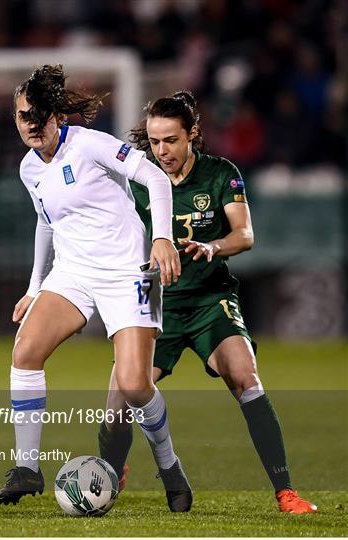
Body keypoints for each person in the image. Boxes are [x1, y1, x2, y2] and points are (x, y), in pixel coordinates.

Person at [98, 91, 318, 514]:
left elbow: (245, 235)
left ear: (192, 135)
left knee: (244, 375)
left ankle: (285, 492)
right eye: (155, 141)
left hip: (208, 299)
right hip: (153, 304)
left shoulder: (221, 174)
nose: (162, 151)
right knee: (118, 401)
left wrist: (213, 247)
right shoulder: (136, 180)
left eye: (171, 140)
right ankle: (108, 473)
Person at [0, 65, 192, 511]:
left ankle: (170, 467)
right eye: (24, 116)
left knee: (135, 385)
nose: (31, 125)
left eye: (40, 116)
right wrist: (34, 287)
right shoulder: (29, 168)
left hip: (128, 272)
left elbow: (156, 178)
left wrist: (162, 238)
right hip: (74, 272)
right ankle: (27, 469)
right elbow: (46, 224)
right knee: (25, 352)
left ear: (57, 116)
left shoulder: (90, 144)